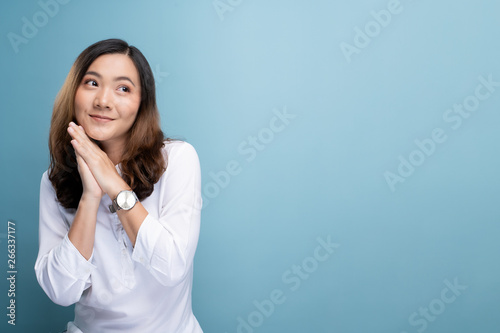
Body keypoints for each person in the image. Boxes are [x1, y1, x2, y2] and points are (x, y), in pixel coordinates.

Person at [34, 39, 203, 333]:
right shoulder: (54, 179)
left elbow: (172, 266)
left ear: (142, 103)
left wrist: (113, 183)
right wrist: (90, 196)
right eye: (91, 83)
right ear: (74, 92)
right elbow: (60, 291)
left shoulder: (177, 159)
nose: (103, 101)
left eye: (123, 88)